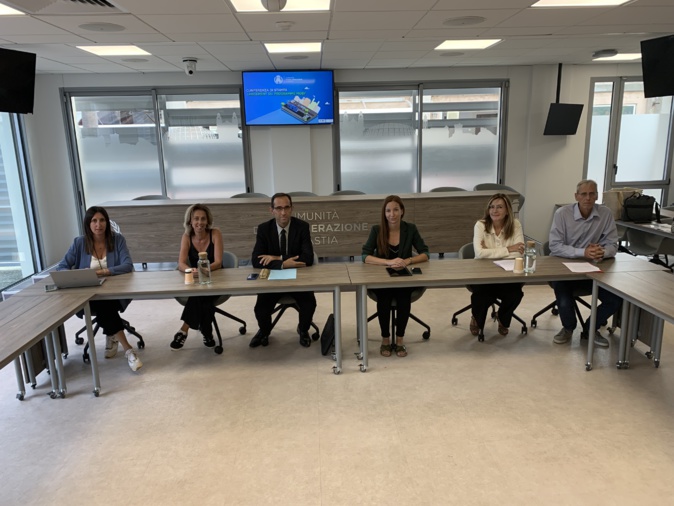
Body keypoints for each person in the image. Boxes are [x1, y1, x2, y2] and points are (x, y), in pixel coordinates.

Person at [57, 206, 142, 371]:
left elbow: (127, 265)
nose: (98, 224)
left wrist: (103, 272)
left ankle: (117, 338)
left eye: (102, 220)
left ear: (107, 222)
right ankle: (127, 349)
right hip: (87, 295)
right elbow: (62, 267)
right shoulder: (79, 243)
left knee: (105, 304)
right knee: (104, 306)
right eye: (94, 221)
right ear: (88, 224)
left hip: (114, 293)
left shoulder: (117, 240)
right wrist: (78, 275)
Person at [549, 179, 621, 347]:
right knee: (564, 300)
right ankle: (568, 328)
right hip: (563, 269)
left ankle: (590, 329)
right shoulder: (562, 214)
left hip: (592, 269)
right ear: (576, 196)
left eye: (591, 194)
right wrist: (583, 252)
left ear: (596, 196)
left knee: (615, 299)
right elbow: (554, 246)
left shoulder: (605, 214)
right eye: (583, 194)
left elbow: (613, 244)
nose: (587, 198)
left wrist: (602, 252)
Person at [362, 195, 429, 358]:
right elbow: (365, 256)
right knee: (384, 298)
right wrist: (388, 262)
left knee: (403, 297)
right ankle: (385, 339)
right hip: (382, 278)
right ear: (384, 213)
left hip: (403, 277)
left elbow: (425, 253)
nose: (392, 214)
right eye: (388, 211)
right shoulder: (377, 230)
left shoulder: (410, 229)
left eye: (396, 210)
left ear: (402, 211)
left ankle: (400, 340)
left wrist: (407, 261)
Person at [249, 193, 317, 348]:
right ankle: (264, 331)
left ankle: (303, 330)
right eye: (279, 208)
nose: (283, 212)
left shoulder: (302, 227)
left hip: (298, 279)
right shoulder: (264, 229)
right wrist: (282, 264)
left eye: (287, 207)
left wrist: (276, 258)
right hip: (272, 281)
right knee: (261, 308)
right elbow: (256, 260)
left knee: (309, 304)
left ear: (292, 208)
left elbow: (308, 258)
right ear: (272, 210)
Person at [471, 193, 525, 337]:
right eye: (492, 207)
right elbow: (479, 253)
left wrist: (489, 251)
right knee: (481, 295)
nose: (494, 211)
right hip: (482, 273)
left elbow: (519, 253)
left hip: (508, 274)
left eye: (499, 207)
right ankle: (476, 319)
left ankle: (503, 318)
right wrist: (509, 249)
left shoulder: (515, 225)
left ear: (507, 210)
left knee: (516, 294)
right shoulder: (480, 225)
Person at [170, 204, 223, 350]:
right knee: (203, 299)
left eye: (203, 219)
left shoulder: (215, 233)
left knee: (201, 296)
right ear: (190, 221)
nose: (200, 222)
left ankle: (184, 330)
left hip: (216, 278)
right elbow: (181, 263)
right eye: (196, 219)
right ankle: (207, 333)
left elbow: (218, 262)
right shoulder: (186, 237)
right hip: (196, 280)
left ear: (208, 221)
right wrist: (189, 270)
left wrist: (202, 270)